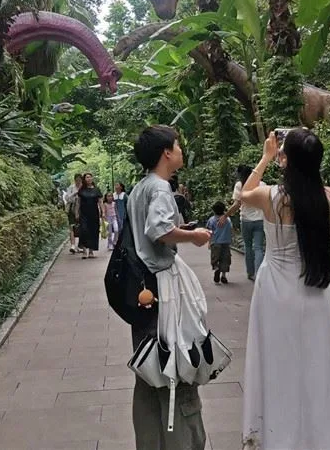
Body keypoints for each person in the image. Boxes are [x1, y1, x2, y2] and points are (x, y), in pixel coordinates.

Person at [239, 129, 330, 450]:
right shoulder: (328, 196)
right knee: (316, 362)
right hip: (314, 288)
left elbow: (244, 194)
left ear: (285, 159)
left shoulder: (271, 197)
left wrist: (265, 157)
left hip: (275, 290)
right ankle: (319, 437)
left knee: (276, 363)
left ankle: (279, 436)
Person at [127, 125, 211, 450]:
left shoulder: (140, 188)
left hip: (143, 289)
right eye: (178, 145)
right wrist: (193, 236)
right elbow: (158, 230)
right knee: (177, 364)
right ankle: (184, 442)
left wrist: (180, 229)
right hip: (163, 287)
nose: (181, 150)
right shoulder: (161, 187)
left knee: (149, 369)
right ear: (166, 153)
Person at [224, 165, 264, 280]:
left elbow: (237, 204)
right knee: (258, 247)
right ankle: (259, 274)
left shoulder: (240, 185)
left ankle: (250, 273)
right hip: (260, 220)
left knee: (248, 247)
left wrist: (225, 215)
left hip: (246, 220)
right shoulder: (261, 184)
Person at [78, 173, 102, 259]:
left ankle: (91, 251)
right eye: (87, 177)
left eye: (90, 177)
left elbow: (100, 201)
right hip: (83, 213)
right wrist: (76, 212)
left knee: (93, 231)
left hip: (94, 213)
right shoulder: (81, 190)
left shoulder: (96, 189)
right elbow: (78, 202)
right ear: (84, 179)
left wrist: (103, 212)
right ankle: (84, 251)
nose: (88, 179)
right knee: (84, 230)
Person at [206, 201, 232, 284]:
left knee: (215, 258)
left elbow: (209, 232)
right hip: (226, 242)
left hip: (215, 243)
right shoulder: (227, 219)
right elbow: (230, 229)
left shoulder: (211, 220)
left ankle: (216, 268)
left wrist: (209, 242)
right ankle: (223, 276)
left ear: (213, 210)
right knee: (225, 260)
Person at [63, 173, 83, 254]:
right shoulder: (71, 187)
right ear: (74, 180)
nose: (78, 181)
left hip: (82, 209)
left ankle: (80, 245)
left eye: (79, 180)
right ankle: (73, 245)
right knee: (72, 227)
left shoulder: (84, 187)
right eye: (77, 180)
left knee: (82, 227)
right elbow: (67, 198)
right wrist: (74, 194)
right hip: (72, 209)